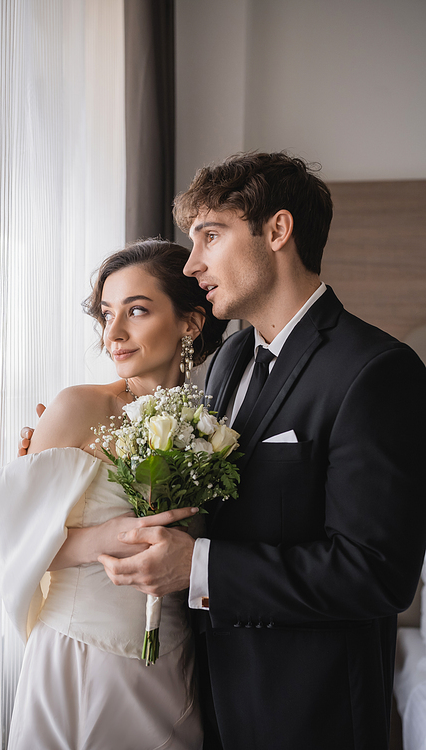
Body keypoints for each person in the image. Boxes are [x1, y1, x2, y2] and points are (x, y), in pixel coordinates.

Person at [90, 152, 426, 749]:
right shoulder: (229, 361)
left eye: (209, 236)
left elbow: (377, 573)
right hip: (210, 700)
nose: (192, 265)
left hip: (308, 717)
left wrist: (197, 566)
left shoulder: (376, 371)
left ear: (277, 231)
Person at [0, 239, 228, 750]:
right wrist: (103, 538)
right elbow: (15, 542)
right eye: (106, 314)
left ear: (191, 322)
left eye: (136, 311)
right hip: (77, 654)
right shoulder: (77, 408)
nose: (113, 334)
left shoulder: (216, 428)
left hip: (169, 658)